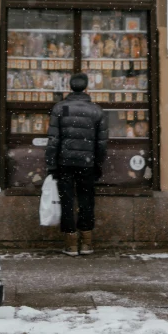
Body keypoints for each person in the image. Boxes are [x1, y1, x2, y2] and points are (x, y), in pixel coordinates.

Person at [45, 72, 108, 256]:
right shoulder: (96, 111)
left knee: (66, 200)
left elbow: (53, 140)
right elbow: (102, 143)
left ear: (70, 87)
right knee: (86, 201)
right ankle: (87, 242)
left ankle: (71, 243)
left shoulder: (60, 108)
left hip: (64, 162)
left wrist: (52, 165)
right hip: (87, 163)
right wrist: (98, 163)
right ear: (86, 87)